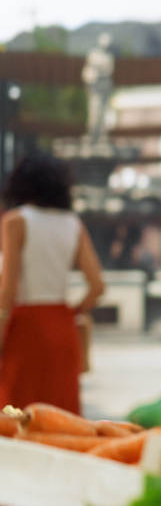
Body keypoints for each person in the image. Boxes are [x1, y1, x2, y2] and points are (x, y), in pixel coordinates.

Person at [0, 153, 105, 413]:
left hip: (24, 328)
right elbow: (97, 286)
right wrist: (73, 312)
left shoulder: (16, 221)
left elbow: (8, 290)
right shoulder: (72, 224)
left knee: (17, 418)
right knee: (60, 419)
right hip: (62, 325)